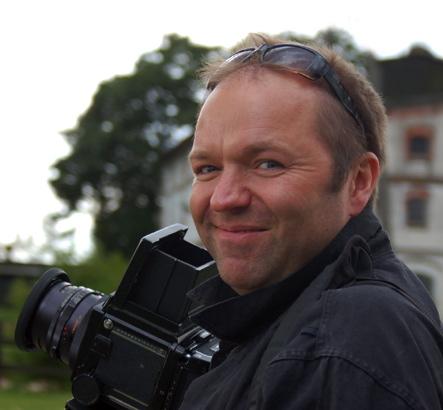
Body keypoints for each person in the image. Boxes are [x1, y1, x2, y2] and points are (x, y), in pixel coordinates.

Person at [180, 34, 443, 409]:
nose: (224, 199)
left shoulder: (344, 342)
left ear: (358, 182)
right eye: (207, 168)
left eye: (268, 164)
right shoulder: (296, 317)